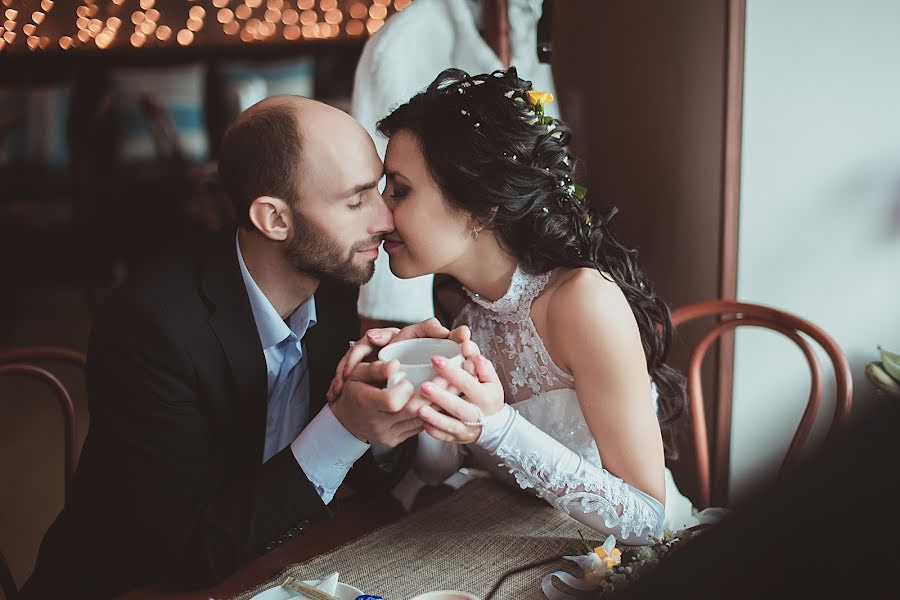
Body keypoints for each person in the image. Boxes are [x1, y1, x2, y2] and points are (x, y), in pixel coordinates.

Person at [20, 96, 467, 599]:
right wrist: (343, 428)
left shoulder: (332, 281)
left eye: (381, 190)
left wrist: (384, 404)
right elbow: (193, 552)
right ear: (274, 219)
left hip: (276, 565)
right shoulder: (149, 328)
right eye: (356, 200)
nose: (386, 220)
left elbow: (353, 478)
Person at [330, 68, 707, 545]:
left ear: (482, 208)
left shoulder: (581, 302)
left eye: (399, 190)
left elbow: (645, 522)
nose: (381, 215)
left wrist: (496, 426)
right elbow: (438, 469)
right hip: (533, 547)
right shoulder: (464, 311)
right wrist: (417, 384)